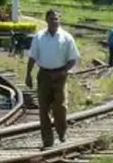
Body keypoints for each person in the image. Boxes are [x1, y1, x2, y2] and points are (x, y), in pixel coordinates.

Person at [25, 9, 81, 148]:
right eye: (51, 19)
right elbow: (32, 56)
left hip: (60, 75)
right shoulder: (39, 37)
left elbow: (73, 59)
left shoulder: (66, 37)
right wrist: (28, 74)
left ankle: (62, 131)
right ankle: (47, 139)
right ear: (46, 20)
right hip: (44, 74)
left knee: (60, 106)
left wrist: (63, 72)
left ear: (59, 20)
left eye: (56, 19)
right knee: (43, 108)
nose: (54, 21)